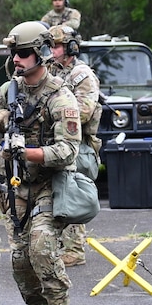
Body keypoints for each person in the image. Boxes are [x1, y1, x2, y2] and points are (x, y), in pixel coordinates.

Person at [0, 21, 83, 305]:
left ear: (41, 54)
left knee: (41, 247)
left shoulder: (60, 97)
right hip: (16, 187)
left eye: (23, 53)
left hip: (50, 184)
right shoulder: (9, 91)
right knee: (20, 260)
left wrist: (28, 152)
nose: (17, 60)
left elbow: (68, 151)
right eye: (14, 54)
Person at [46, 24, 101, 267]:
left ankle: (74, 250)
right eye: (50, 46)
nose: (52, 50)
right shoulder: (49, 70)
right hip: (54, 142)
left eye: (56, 46)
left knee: (72, 193)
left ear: (70, 47)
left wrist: (53, 111)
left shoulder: (82, 75)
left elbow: (85, 112)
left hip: (78, 145)